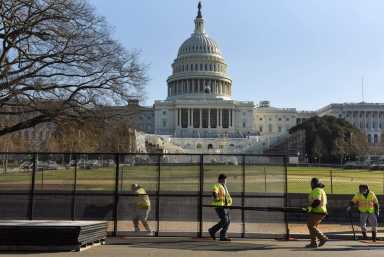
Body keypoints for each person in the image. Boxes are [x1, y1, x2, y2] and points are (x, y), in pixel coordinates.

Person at [305, 177, 328, 248]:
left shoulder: (316, 190)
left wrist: (310, 207)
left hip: (318, 211)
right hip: (320, 211)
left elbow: (317, 201)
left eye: (312, 183)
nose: (311, 185)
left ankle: (322, 238)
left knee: (310, 225)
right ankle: (313, 243)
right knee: (313, 227)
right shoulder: (321, 190)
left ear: (314, 184)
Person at [208, 174, 232, 241]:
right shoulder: (217, 185)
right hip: (220, 206)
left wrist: (229, 203)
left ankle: (222, 236)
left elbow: (226, 196)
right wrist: (216, 198)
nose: (225, 181)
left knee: (228, 221)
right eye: (224, 179)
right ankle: (212, 230)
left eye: (225, 179)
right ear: (220, 179)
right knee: (225, 220)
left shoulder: (224, 187)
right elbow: (214, 192)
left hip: (226, 206)